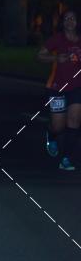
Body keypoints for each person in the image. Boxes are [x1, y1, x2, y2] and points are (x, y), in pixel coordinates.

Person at [38, 10, 81, 171]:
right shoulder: (57, 39)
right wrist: (56, 58)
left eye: (73, 19)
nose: (70, 21)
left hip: (77, 87)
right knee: (58, 126)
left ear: (77, 22)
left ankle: (66, 159)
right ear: (63, 23)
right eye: (67, 19)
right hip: (57, 88)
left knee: (74, 122)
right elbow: (39, 56)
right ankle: (51, 134)